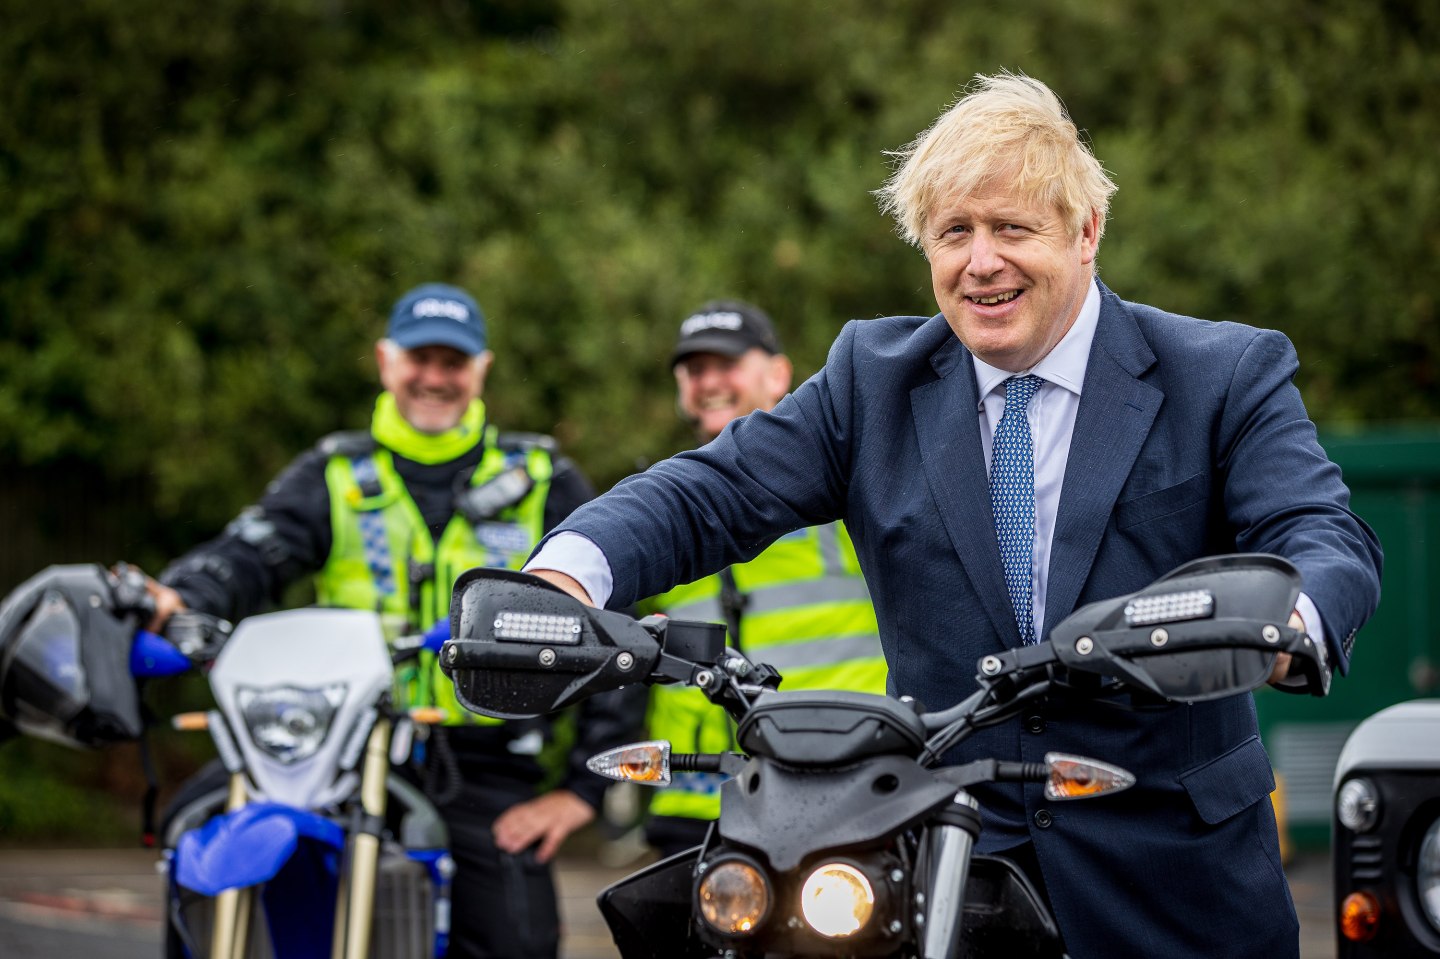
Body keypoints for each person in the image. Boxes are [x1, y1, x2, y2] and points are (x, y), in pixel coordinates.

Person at [521, 74, 1383, 957]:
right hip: (953, 881)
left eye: (1013, 228)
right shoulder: (872, 378)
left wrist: (1290, 621)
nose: (981, 262)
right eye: (954, 233)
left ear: (1086, 232)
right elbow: (712, 490)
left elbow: (1321, 531)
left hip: (1179, 880)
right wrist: (564, 574)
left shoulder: (1222, 372)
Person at [146, 282, 642, 959]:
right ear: (385, 360)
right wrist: (179, 598)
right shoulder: (334, 471)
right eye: (419, 359)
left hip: (483, 766)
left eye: (453, 361)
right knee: (191, 847)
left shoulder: (541, 474)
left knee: (514, 938)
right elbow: (244, 555)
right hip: (332, 747)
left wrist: (585, 789)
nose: (434, 378)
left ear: (482, 369)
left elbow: (619, 621)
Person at [639, 300, 887, 858]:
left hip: (836, 784)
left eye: (726, 363)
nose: (709, 382)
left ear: (778, 375)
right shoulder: (665, 505)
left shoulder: (846, 494)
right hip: (695, 802)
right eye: (694, 369)